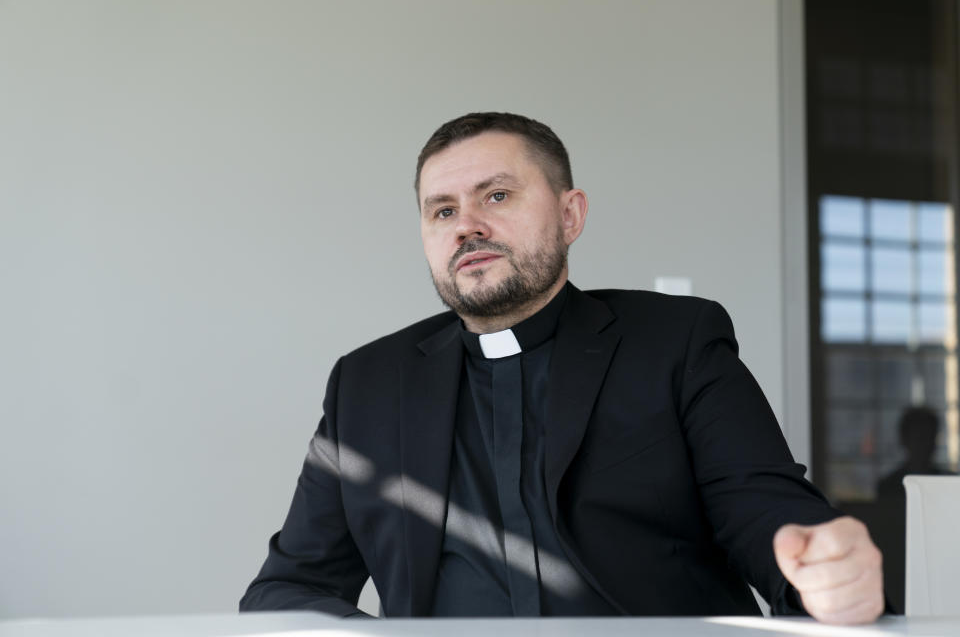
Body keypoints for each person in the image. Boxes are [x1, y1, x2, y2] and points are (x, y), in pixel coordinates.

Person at [240, 112, 884, 624]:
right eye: (442, 210)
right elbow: (288, 591)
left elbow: (765, 510)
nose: (467, 225)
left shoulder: (675, 343)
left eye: (496, 195)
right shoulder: (368, 383)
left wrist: (825, 571)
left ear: (570, 215)